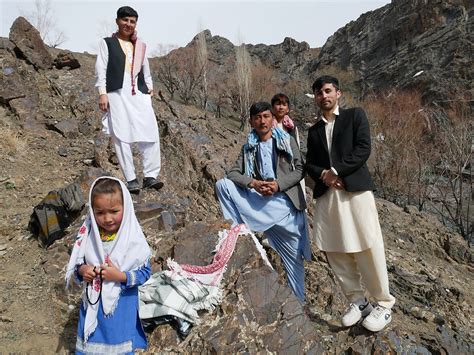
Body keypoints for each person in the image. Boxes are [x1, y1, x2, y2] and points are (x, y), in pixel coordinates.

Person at [306, 75, 395, 332]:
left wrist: (336, 170)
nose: (324, 96)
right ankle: (358, 302)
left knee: (368, 244)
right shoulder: (313, 131)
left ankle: (384, 303)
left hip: (355, 191)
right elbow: (310, 162)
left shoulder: (355, 116)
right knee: (335, 248)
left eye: (327, 91)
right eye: (319, 93)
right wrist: (324, 174)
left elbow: (363, 149)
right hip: (328, 195)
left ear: (338, 93)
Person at [215, 102, 311, 302]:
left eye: (266, 116)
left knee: (294, 263)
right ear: (251, 121)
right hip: (261, 201)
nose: (262, 121)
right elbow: (233, 173)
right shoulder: (249, 146)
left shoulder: (286, 140)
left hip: (285, 205)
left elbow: (300, 170)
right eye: (257, 117)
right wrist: (253, 183)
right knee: (223, 185)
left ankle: (299, 306)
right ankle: (237, 233)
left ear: (273, 119)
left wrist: (278, 185)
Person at [65, 176, 152, 353]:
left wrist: (120, 276)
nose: (107, 218)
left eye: (114, 211)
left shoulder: (132, 237)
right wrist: (84, 270)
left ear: (126, 208)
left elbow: (145, 272)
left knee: (118, 344)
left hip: (121, 307)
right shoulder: (89, 234)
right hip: (93, 303)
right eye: (100, 213)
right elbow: (77, 265)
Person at [95, 6, 163, 193]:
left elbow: (145, 70)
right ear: (118, 21)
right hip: (117, 91)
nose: (128, 24)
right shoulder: (107, 42)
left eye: (132, 21)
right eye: (125, 20)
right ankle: (131, 179)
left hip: (139, 92)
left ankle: (150, 176)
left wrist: (149, 89)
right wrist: (103, 92)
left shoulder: (139, 45)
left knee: (150, 130)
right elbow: (101, 68)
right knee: (121, 133)